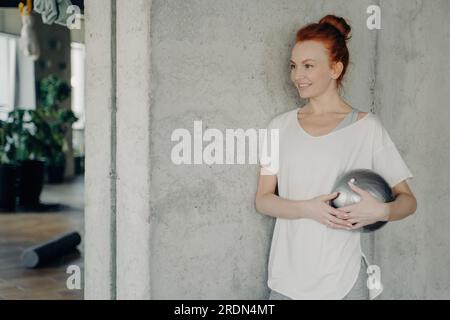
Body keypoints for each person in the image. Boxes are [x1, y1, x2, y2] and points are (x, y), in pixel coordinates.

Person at [255, 14, 417, 300]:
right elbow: (263, 200)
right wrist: (308, 208)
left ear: (334, 69)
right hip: (287, 281)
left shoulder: (367, 128)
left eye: (308, 66)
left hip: (343, 283)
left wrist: (383, 211)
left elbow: (408, 200)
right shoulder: (279, 127)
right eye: (293, 66)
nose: (296, 76)